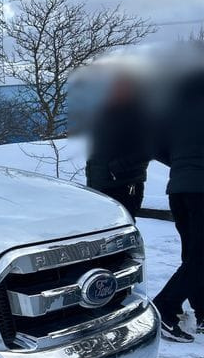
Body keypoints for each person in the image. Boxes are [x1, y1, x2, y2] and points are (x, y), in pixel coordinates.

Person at [152, 63, 204, 343]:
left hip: (179, 189)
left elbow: (156, 146)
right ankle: (166, 308)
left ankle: (202, 310)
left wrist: (183, 164)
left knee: (194, 255)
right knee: (200, 257)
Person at [85, 75, 151, 218]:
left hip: (125, 185)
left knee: (123, 227)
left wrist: (119, 167)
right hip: (99, 186)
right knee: (102, 230)